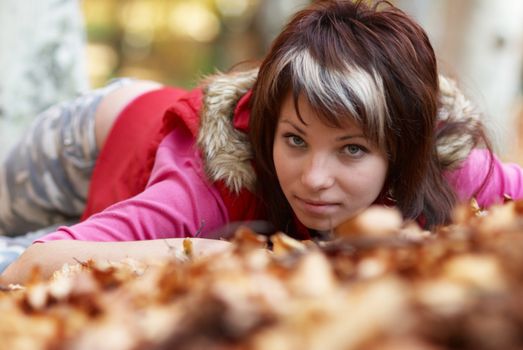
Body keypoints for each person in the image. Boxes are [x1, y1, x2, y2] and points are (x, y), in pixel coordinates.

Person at [2, 0, 522, 284]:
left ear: (404, 150)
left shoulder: (454, 171)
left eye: (352, 149)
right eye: (294, 140)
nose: (314, 179)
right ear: (268, 127)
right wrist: (203, 254)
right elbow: (33, 267)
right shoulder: (212, 184)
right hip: (94, 138)